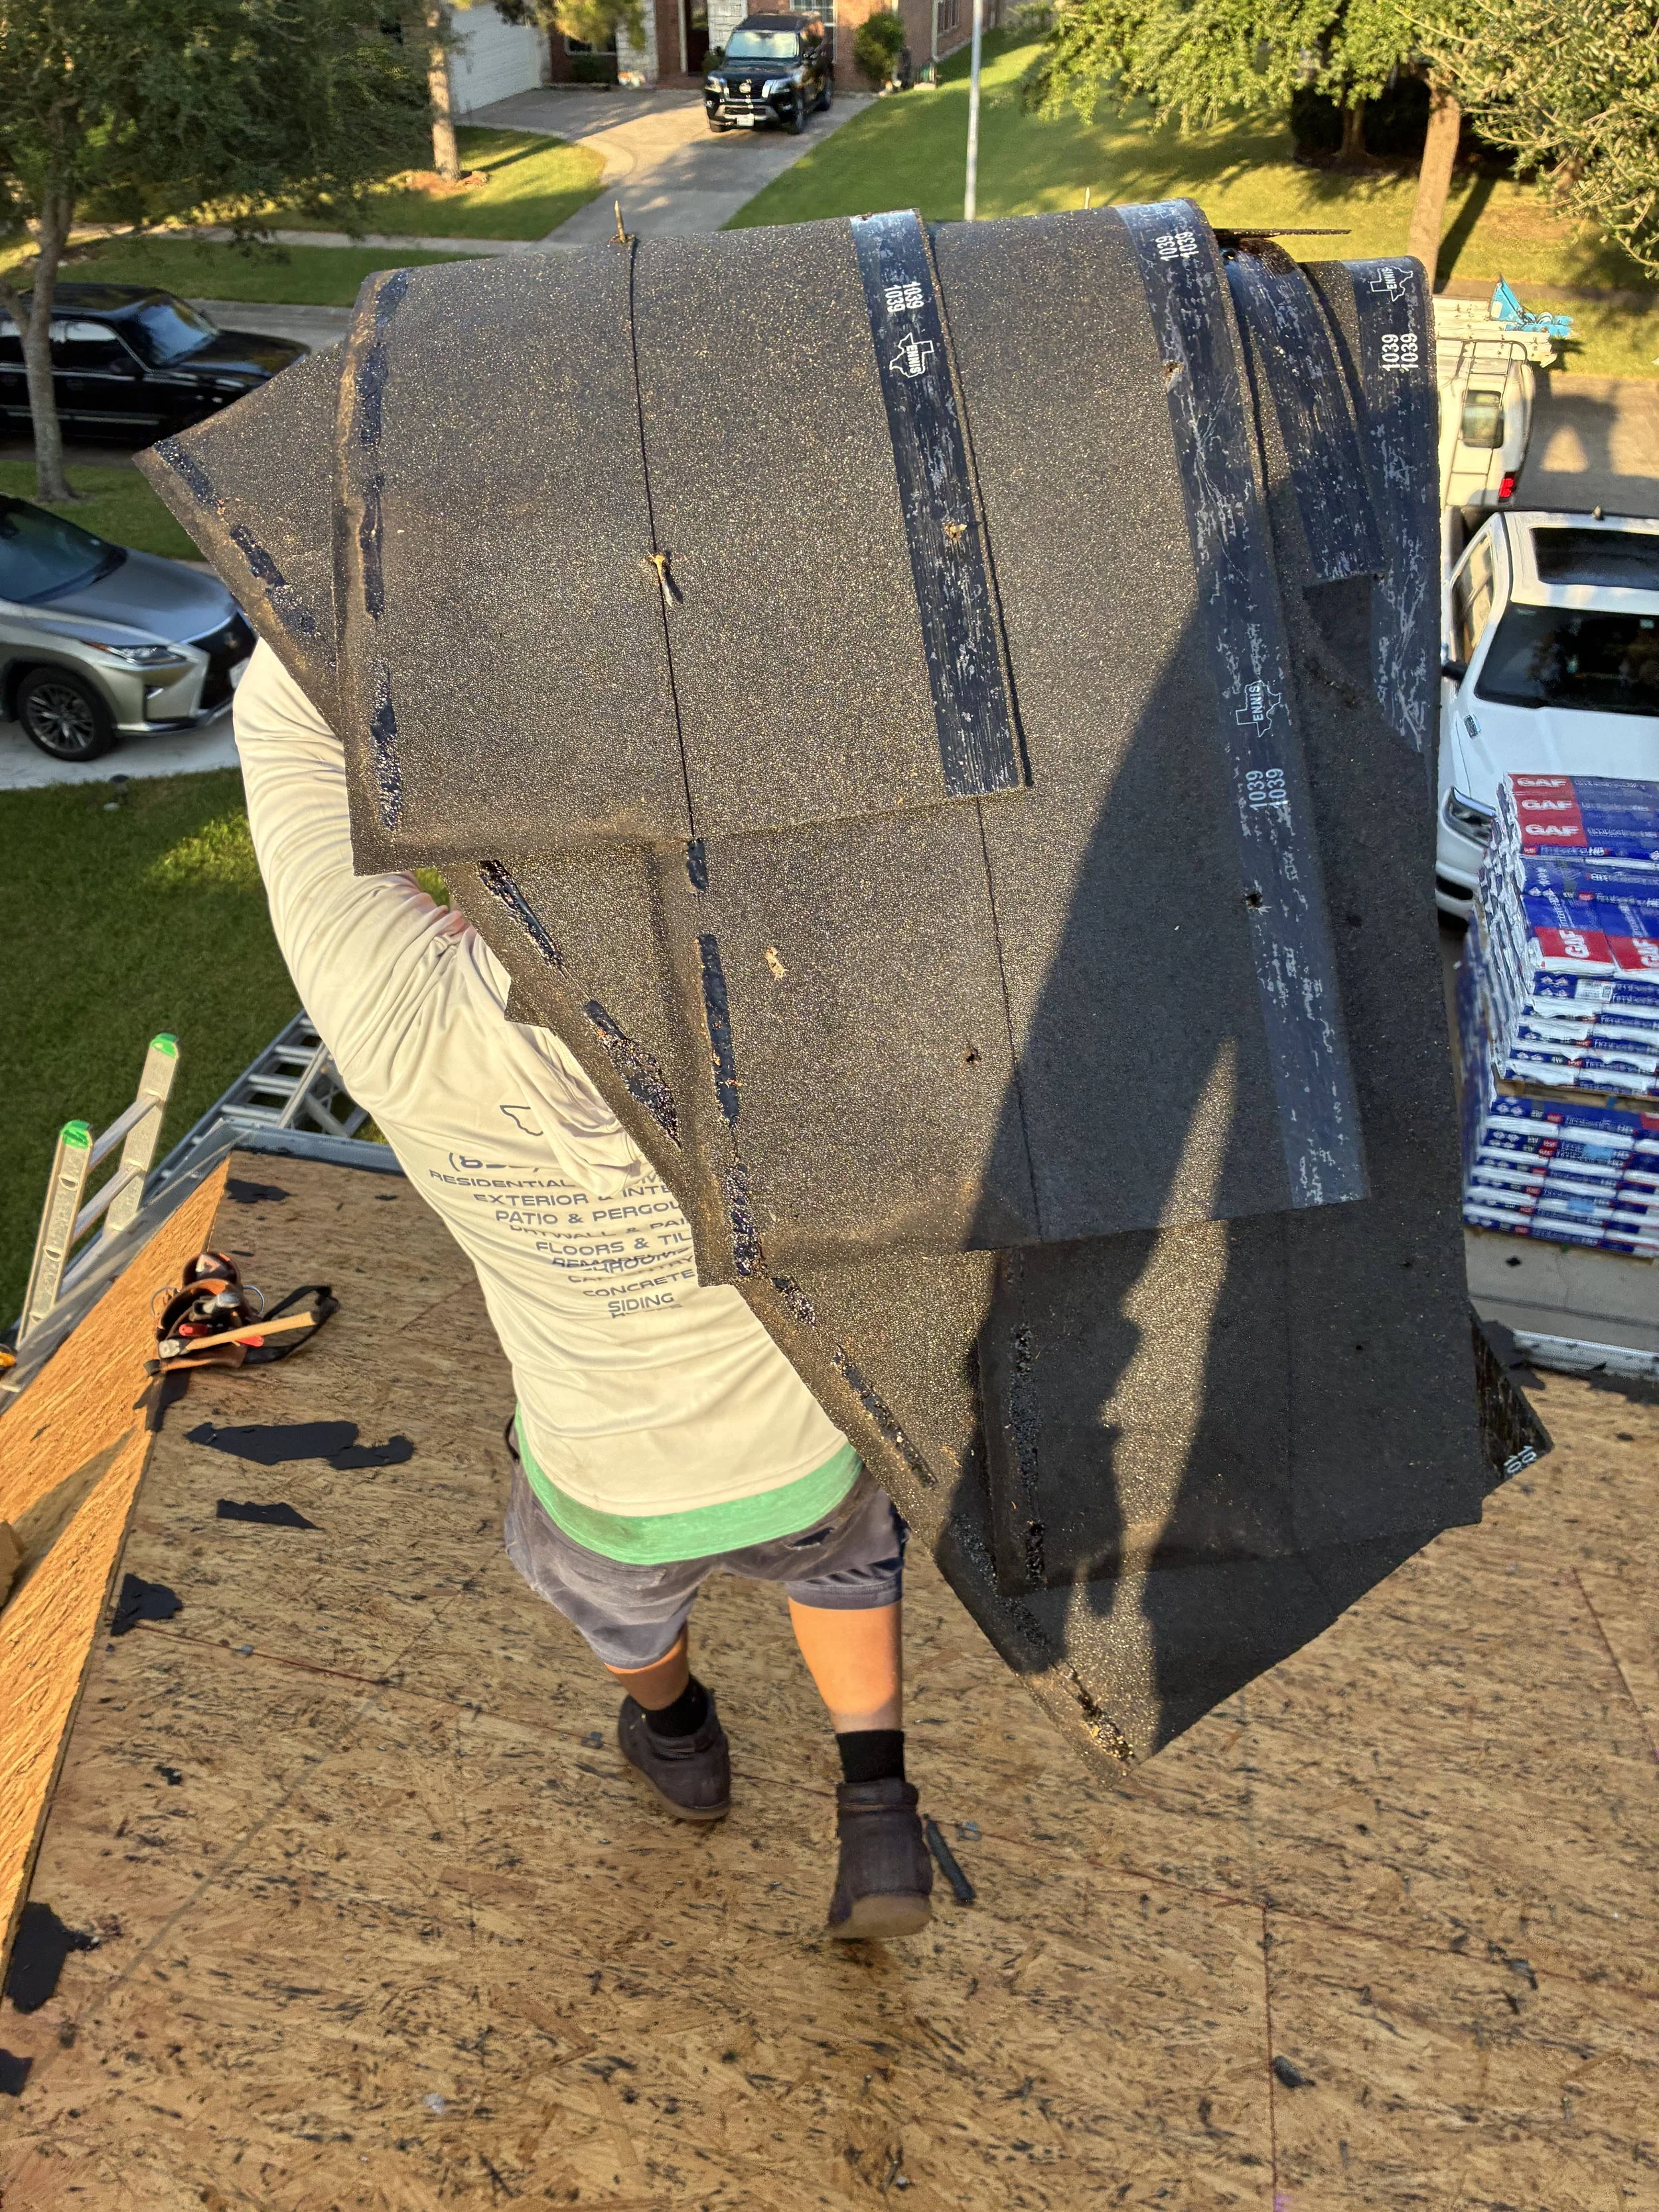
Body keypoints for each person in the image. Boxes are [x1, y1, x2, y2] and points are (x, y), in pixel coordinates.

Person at [232, 642, 933, 1939]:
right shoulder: (785, 1018)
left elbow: (283, 707)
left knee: (619, 1608)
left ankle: (675, 1737)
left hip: (608, 1482)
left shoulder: (398, 1020)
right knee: (841, 1560)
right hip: (800, 1441)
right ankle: (875, 1806)